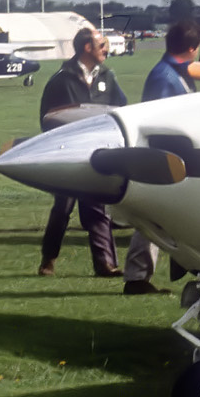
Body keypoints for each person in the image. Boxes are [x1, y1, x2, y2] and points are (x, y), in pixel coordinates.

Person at [123, 19, 200, 295]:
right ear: (192, 48)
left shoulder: (172, 72)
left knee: (160, 220)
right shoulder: (165, 76)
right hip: (165, 160)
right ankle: (136, 278)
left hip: (173, 159)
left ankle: (140, 277)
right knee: (155, 219)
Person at [38, 27, 128, 277]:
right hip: (68, 154)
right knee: (62, 209)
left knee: (98, 208)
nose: (106, 49)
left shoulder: (108, 77)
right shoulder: (61, 79)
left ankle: (105, 264)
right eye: (102, 45)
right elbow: (47, 118)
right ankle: (48, 260)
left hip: (98, 153)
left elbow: (122, 108)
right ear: (87, 48)